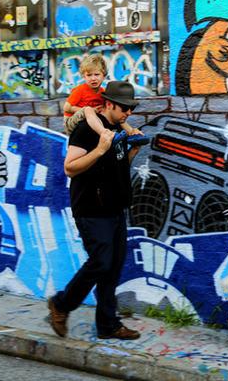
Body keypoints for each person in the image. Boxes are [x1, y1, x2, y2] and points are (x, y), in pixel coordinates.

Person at [48, 81, 143, 340]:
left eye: (131, 108)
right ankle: (61, 304)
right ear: (109, 104)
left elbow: (116, 164)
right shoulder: (86, 130)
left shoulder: (115, 129)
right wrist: (100, 149)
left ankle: (108, 325)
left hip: (115, 206)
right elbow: (70, 167)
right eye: (124, 108)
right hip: (91, 207)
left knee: (112, 268)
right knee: (100, 262)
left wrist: (132, 151)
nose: (128, 113)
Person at [63, 54, 146, 146]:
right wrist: (89, 110)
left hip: (89, 120)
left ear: (104, 76)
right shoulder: (80, 90)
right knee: (88, 110)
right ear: (84, 77)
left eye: (97, 74)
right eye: (89, 75)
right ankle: (105, 133)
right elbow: (67, 108)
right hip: (71, 122)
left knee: (112, 112)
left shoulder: (102, 92)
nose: (93, 78)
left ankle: (132, 132)